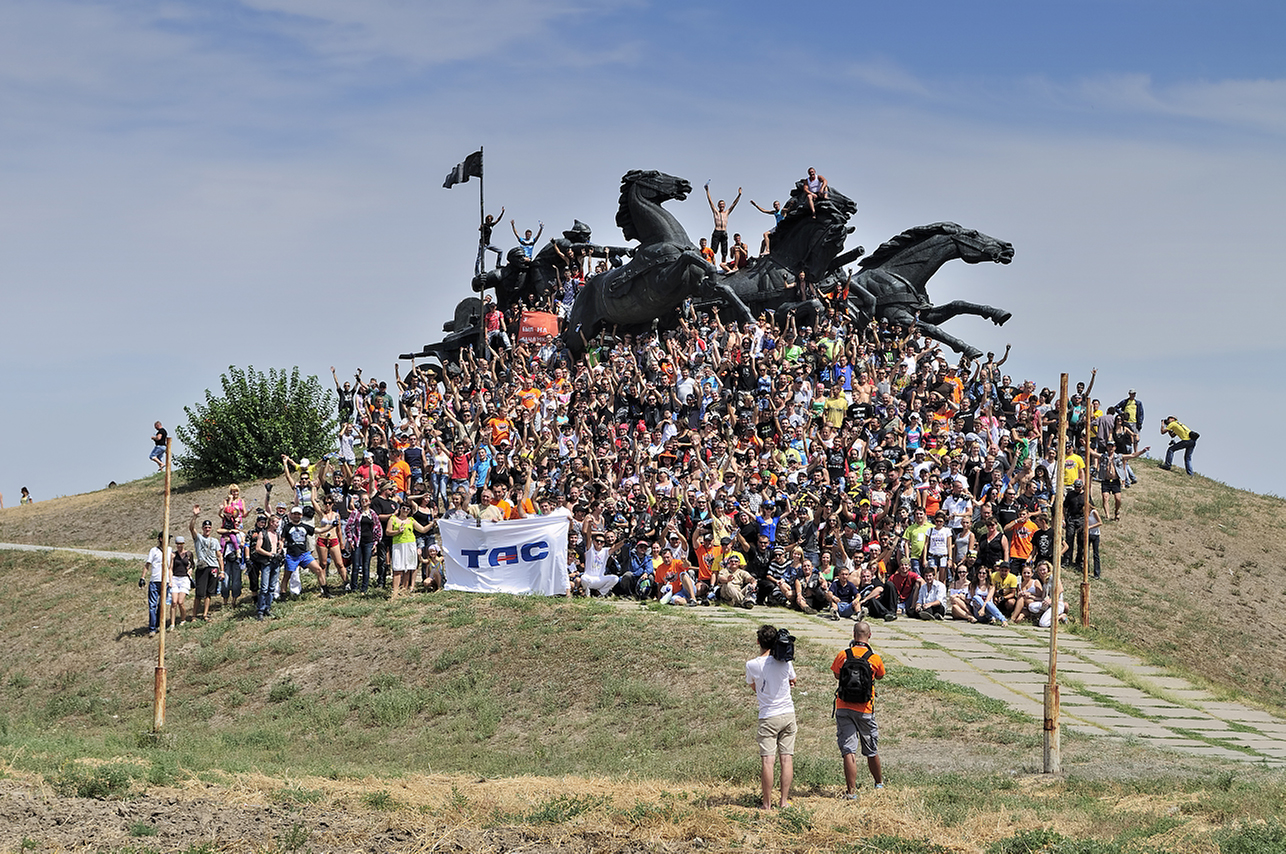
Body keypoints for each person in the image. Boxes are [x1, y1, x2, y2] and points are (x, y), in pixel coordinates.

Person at [831, 620, 886, 797]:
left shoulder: (843, 655)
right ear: (869, 636)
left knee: (849, 750)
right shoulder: (874, 658)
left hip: (844, 707)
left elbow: (837, 674)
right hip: (865, 709)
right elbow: (880, 676)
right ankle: (878, 783)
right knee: (871, 749)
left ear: (854, 635)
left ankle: (851, 791)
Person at [745, 624, 796, 810]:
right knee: (786, 759)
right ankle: (783, 801)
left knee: (768, 760)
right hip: (788, 714)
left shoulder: (752, 665)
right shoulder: (785, 661)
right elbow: (793, 680)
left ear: (758, 641)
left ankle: (766, 804)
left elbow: (753, 687)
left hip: (768, 716)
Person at [188, 505, 224, 621]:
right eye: (205, 527)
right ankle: (194, 615)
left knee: (209, 593)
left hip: (213, 567)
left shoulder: (215, 541)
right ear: (202, 528)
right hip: (202, 567)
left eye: (209, 527)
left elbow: (219, 556)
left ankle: (205, 614)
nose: (207, 529)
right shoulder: (198, 538)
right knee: (199, 593)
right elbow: (191, 528)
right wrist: (195, 516)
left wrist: (222, 570)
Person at [140, 533, 168, 637]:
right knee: (152, 605)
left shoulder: (169, 550)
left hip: (165, 581)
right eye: (166, 538)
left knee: (162, 605)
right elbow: (147, 564)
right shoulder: (154, 550)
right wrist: (142, 577)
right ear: (160, 539)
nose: (167, 540)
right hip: (154, 581)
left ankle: (159, 624)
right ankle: (152, 628)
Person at [705, 182, 741, 263]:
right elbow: (710, 201)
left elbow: (733, 204)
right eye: (720, 204)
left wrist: (739, 195)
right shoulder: (716, 212)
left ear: (724, 206)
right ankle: (712, 266)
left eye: (723, 204)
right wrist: (707, 191)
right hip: (717, 232)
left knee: (724, 253)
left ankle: (723, 266)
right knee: (712, 251)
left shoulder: (726, 213)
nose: (721, 206)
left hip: (724, 232)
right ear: (718, 205)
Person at [169, 536, 192, 630]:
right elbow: (170, 568)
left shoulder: (189, 554)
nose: (179, 546)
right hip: (175, 578)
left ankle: (183, 619)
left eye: (181, 544)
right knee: (174, 602)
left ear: (183, 544)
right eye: (178, 544)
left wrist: (190, 570)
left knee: (180, 602)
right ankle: (172, 623)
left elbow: (192, 565)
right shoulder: (173, 555)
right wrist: (170, 580)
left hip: (184, 579)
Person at [476, 206, 505, 275]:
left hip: (488, 244)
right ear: (486, 220)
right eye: (488, 219)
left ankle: (498, 264)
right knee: (479, 258)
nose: (489, 220)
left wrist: (502, 212)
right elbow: (480, 229)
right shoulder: (484, 225)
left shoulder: (490, 225)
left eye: (490, 219)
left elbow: (498, 220)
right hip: (483, 244)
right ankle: (477, 272)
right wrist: (481, 228)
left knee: (500, 251)